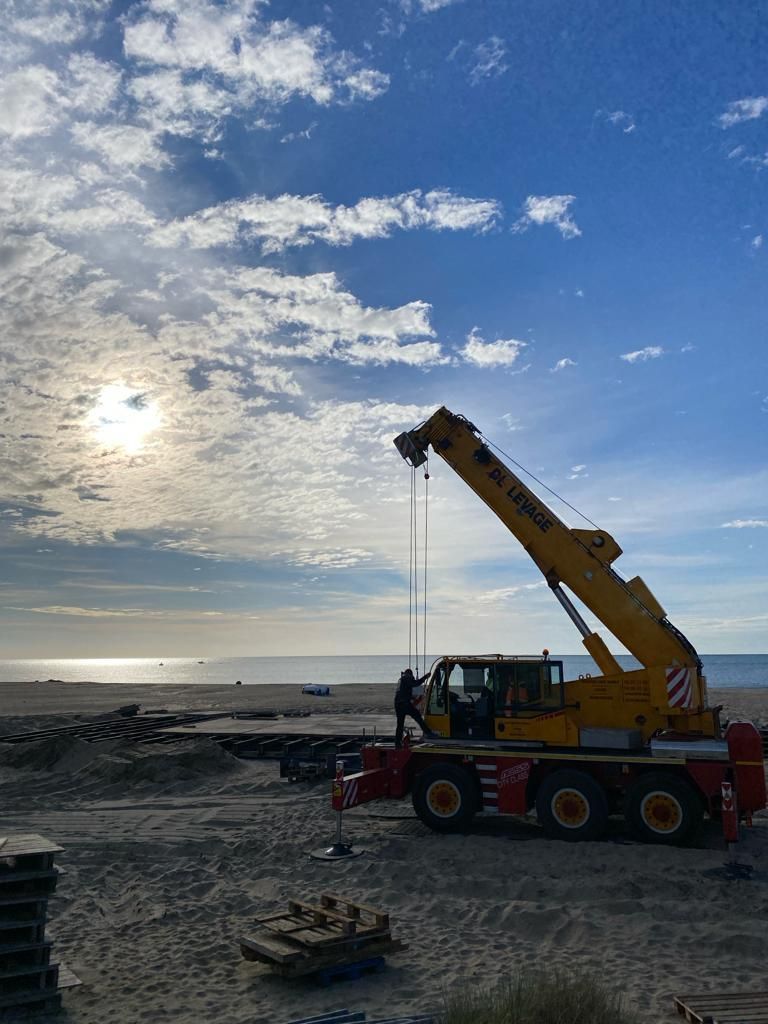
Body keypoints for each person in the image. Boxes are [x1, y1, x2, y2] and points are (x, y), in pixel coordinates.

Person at [394, 668, 433, 748]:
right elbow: (416, 683)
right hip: (404, 704)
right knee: (418, 716)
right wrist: (426, 677)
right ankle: (428, 732)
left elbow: (403, 692)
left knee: (400, 725)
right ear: (410, 674)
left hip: (398, 704)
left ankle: (397, 744)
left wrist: (412, 698)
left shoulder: (401, 679)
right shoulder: (408, 677)